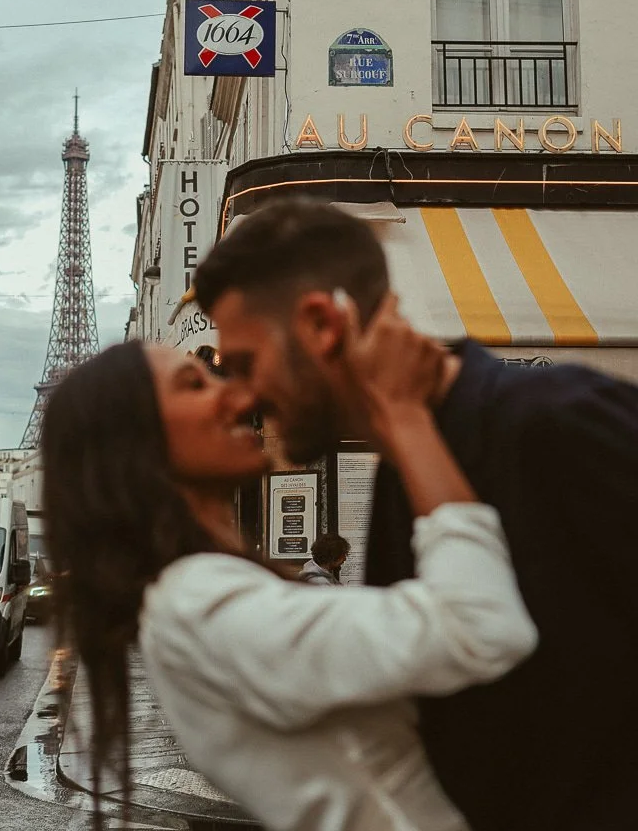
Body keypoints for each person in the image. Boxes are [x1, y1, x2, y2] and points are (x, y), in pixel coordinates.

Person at [194, 197, 638, 831]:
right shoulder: (410, 473)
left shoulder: (555, 418)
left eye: (244, 365)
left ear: (323, 324)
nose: (238, 397)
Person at [42, 334, 536, 831]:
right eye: (195, 383)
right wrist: (408, 420)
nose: (239, 395)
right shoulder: (198, 601)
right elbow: (480, 627)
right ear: (135, 445)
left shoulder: (194, 595)